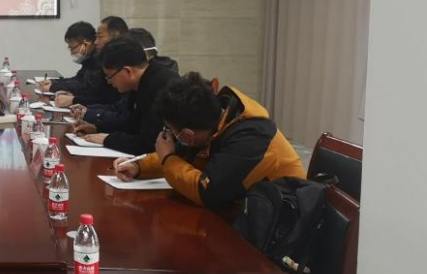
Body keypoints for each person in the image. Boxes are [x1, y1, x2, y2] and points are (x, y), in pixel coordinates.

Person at [114, 72, 305, 210]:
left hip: (280, 220)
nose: (170, 135)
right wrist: (138, 166)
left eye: (170, 130)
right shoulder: (213, 122)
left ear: (188, 135)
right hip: (244, 208)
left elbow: (207, 192)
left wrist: (167, 159)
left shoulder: (252, 137)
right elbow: (185, 157)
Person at [73, 37, 179, 154]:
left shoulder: (159, 87)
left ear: (127, 71)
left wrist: (108, 139)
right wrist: (97, 128)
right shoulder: (140, 82)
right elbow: (131, 123)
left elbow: (149, 144)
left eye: (109, 76)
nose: (109, 82)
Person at [40, 20, 123, 108]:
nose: (96, 42)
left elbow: (93, 92)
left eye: (100, 37)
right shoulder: (90, 59)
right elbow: (79, 80)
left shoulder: (102, 61)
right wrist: (54, 82)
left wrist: (72, 98)